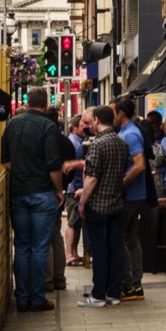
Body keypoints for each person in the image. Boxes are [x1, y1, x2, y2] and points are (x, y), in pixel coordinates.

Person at [1, 86, 63, 312]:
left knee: (22, 245)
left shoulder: (12, 125)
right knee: (39, 247)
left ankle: (22, 298)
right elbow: (53, 165)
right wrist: (59, 191)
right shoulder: (48, 126)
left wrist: (21, 171)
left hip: (18, 193)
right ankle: (37, 299)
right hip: (42, 194)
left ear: (27, 102)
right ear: (45, 104)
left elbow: (5, 162)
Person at [77, 105, 129, 308]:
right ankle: (113, 292)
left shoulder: (98, 145)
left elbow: (92, 179)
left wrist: (82, 204)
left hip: (98, 205)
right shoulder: (121, 143)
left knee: (99, 251)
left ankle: (98, 294)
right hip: (117, 204)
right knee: (115, 249)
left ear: (97, 120)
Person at [112, 95, 155, 302]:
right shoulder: (128, 132)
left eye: (113, 112)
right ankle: (135, 284)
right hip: (136, 194)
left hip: (131, 195)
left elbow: (139, 165)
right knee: (130, 238)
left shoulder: (130, 135)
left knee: (120, 237)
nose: (112, 116)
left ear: (121, 113)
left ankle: (129, 284)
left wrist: (122, 183)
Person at [44, 106, 76, 292]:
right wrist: (62, 187)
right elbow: (70, 172)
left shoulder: (44, 139)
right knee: (56, 235)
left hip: (45, 191)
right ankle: (59, 278)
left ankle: (48, 280)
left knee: (45, 238)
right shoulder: (66, 142)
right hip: (59, 193)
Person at [63, 111, 92, 266]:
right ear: (75, 128)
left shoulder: (80, 141)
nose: (85, 128)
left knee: (76, 223)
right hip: (74, 188)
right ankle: (69, 254)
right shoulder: (75, 143)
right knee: (72, 222)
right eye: (82, 125)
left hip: (76, 187)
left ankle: (74, 253)